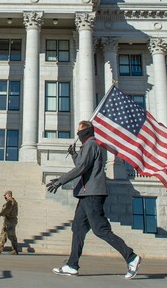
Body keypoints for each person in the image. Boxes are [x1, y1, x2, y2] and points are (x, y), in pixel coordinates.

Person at [47, 120, 141, 279]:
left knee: (100, 230)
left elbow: (82, 167)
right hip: (86, 194)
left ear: (86, 131)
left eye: (79, 131)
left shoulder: (91, 145)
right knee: (77, 228)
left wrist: (60, 180)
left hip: (92, 194)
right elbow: (82, 164)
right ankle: (72, 265)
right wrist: (74, 154)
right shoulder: (88, 146)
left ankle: (131, 257)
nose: (78, 134)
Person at [0, 190, 19, 254]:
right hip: (8, 220)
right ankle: (0, 247)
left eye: (5, 196)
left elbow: (6, 210)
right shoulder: (10, 202)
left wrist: (0, 214)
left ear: (9, 195)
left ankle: (14, 249)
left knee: (9, 234)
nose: (5, 197)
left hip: (10, 220)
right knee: (5, 233)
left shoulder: (11, 202)